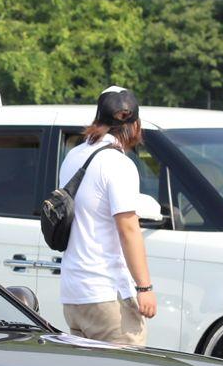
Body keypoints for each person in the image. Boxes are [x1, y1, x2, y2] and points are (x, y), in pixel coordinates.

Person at [57, 86, 157, 347]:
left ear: (98, 119)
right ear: (135, 125)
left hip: (74, 293)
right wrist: (144, 288)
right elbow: (128, 229)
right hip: (106, 294)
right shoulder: (118, 164)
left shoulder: (73, 157)